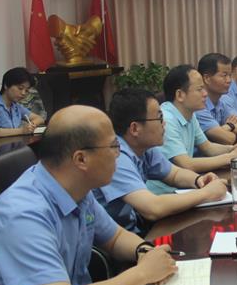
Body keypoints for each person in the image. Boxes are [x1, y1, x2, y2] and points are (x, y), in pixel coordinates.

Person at [0, 105, 177, 285]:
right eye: (114, 146)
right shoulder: (23, 217)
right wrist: (143, 273)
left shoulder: (76, 189)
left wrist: (145, 252)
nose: (118, 155)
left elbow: (115, 238)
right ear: (81, 159)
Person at [95, 88, 228, 235]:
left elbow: (174, 174)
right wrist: (206, 193)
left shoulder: (145, 148)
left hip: (133, 228)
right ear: (134, 128)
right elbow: (153, 208)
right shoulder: (116, 158)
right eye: (159, 118)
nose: (164, 124)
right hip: (115, 240)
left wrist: (199, 180)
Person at [159, 65, 237, 173]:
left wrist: (233, 149)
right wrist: (232, 156)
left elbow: (208, 147)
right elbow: (186, 164)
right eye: (199, 89)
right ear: (180, 95)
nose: (205, 94)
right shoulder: (166, 120)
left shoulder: (189, 113)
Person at [0, 67, 45, 145]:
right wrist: (22, 131)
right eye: (20, 88)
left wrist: (31, 126)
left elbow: (39, 118)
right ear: (6, 85)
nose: (23, 93)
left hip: (8, 147)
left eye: (26, 90)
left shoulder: (15, 105)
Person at [196, 53, 237, 143]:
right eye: (224, 75)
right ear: (207, 78)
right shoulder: (198, 106)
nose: (229, 80)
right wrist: (231, 126)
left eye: (230, 75)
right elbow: (228, 139)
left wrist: (228, 126)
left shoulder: (224, 100)